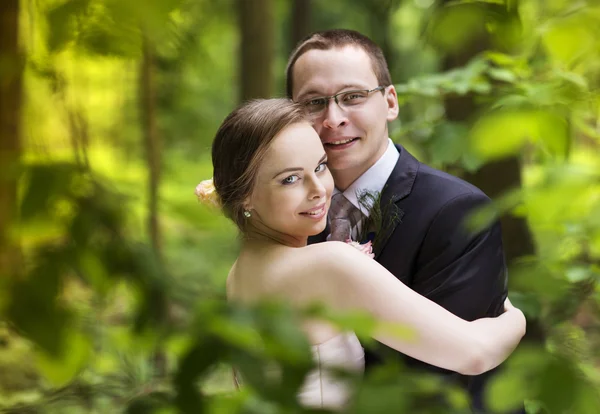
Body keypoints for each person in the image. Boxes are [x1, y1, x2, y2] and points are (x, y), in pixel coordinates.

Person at [199, 98, 526, 411]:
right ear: (245, 197)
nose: (318, 189)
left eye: (320, 166)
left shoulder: (238, 275)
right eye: (290, 179)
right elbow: (474, 354)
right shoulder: (327, 265)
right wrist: (515, 318)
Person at [285, 29, 516, 411]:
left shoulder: (457, 211)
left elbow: (437, 377)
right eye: (313, 102)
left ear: (390, 102)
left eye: (353, 96)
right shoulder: (286, 217)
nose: (333, 118)